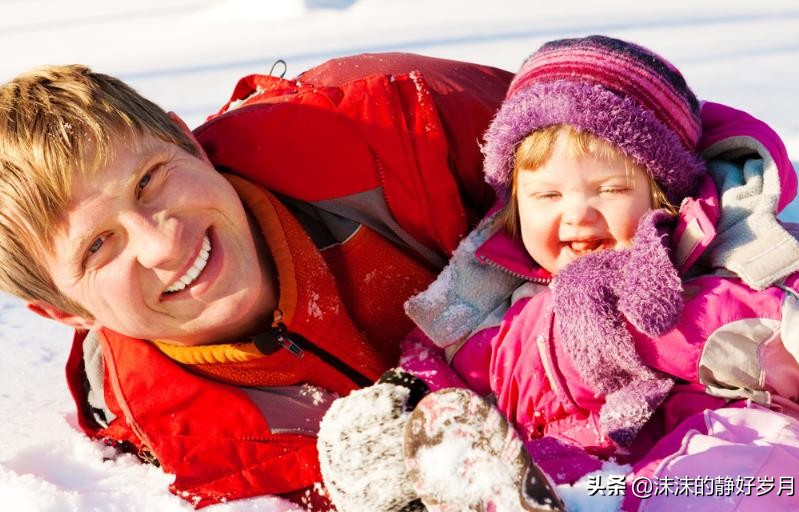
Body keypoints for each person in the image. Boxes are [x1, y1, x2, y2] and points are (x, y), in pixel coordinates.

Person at [317, 36, 799, 512]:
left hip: (735, 442)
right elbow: (439, 366)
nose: (577, 215)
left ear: (661, 193)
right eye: (548, 196)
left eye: (609, 190)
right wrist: (402, 406)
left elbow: (798, 301)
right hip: (585, 474)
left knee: (743, 471)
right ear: (514, 206)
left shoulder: (742, 261)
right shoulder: (496, 302)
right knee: (535, 471)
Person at [0, 54, 513, 509]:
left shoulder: (389, 124)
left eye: (149, 180)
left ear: (191, 143)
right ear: (65, 312)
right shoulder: (178, 446)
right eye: (97, 246)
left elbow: (585, 127)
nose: (162, 244)